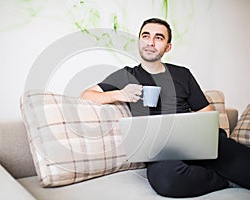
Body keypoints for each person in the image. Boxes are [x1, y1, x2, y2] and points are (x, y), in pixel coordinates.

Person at [80, 18, 250, 198]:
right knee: (168, 181)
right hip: (160, 149)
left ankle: (215, 165)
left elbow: (205, 111)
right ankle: (223, 180)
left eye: (159, 38)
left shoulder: (182, 74)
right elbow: (86, 95)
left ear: (167, 47)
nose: (151, 42)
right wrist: (120, 94)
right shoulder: (126, 75)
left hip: (197, 141)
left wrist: (202, 136)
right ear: (139, 42)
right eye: (146, 36)